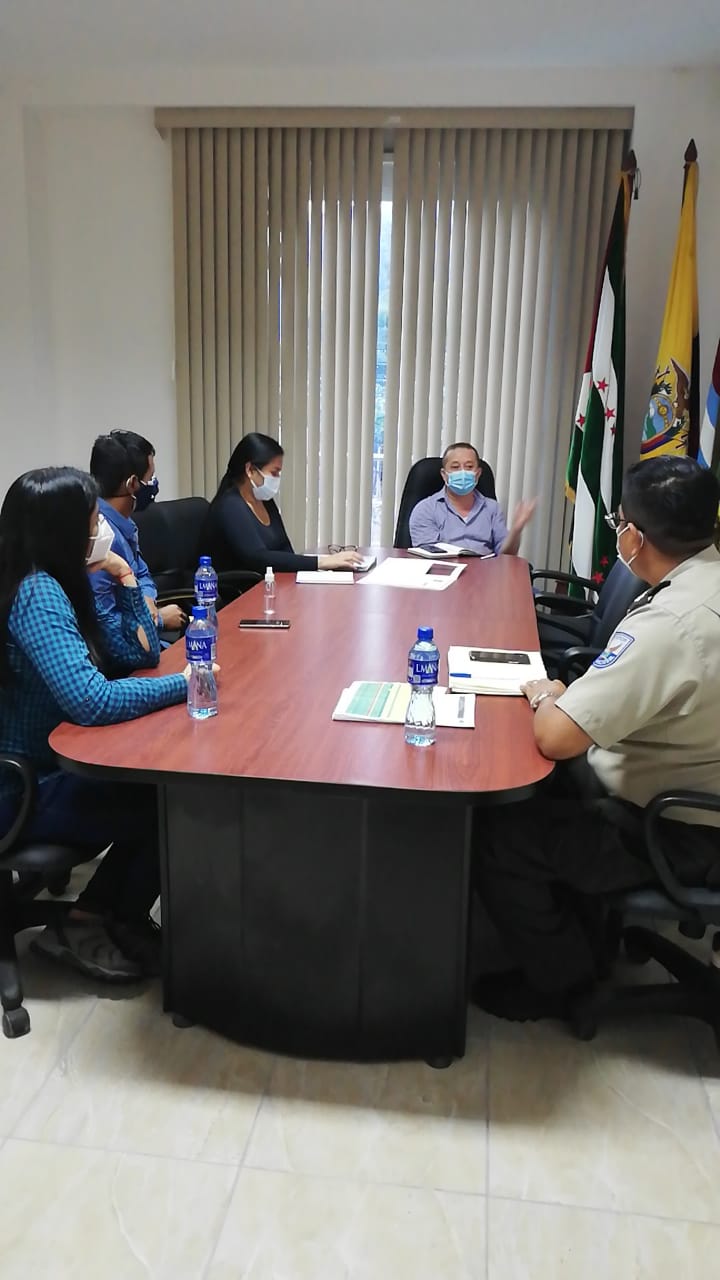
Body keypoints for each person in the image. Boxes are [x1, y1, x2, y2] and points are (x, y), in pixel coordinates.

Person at [472, 456, 720, 1022]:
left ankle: (566, 985)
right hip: (694, 791)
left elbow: (555, 737)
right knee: (546, 793)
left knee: (502, 838)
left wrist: (548, 695)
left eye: (618, 522)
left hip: (681, 829)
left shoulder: (673, 624)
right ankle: (582, 931)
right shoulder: (707, 579)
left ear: (634, 536)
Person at [0, 467, 189, 981]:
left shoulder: (61, 581)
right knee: (166, 799)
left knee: (157, 785)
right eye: (90, 521)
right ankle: (98, 923)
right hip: (21, 789)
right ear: (61, 529)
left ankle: (101, 915)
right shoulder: (36, 594)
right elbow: (91, 699)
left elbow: (139, 655)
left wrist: (124, 577)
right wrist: (185, 684)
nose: (99, 528)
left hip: (45, 766)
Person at [203, 433, 364, 574]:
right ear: (250, 470)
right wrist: (321, 562)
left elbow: (284, 547)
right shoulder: (230, 506)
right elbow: (258, 558)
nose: (277, 478)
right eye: (274, 472)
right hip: (240, 591)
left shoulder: (264, 501)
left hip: (271, 584)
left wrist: (316, 569)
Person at [89, 430, 186, 650]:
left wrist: (148, 600)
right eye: (150, 478)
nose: (153, 484)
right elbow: (104, 622)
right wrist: (158, 620)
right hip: (125, 652)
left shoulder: (125, 523)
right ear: (132, 483)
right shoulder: (101, 537)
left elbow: (142, 574)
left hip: (145, 639)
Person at [408, 442, 537, 555]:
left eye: (469, 467)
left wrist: (516, 530)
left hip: (486, 573)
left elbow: (506, 556)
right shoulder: (425, 510)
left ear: (478, 473)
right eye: (455, 467)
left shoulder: (492, 508)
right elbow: (428, 557)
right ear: (444, 475)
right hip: (445, 573)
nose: (463, 472)